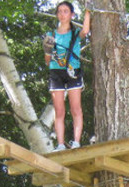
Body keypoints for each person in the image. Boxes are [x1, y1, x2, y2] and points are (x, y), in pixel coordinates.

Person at [43, 1, 90, 151]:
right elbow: (47, 61)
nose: (62, 14)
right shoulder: (51, 35)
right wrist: (47, 50)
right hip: (56, 73)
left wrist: (88, 11)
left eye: (65, 11)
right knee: (59, 111)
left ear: (72, 15)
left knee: (76, 109)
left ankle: (76, 142)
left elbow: (86, 30)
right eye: (60, 11)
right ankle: (61, 144)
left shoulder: (75, 33)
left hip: (72, 72)